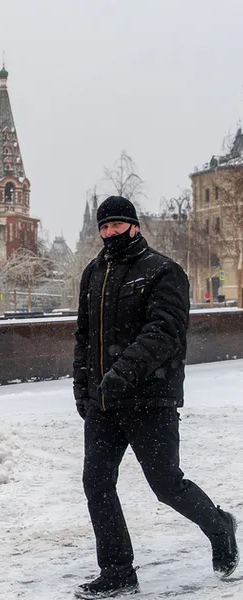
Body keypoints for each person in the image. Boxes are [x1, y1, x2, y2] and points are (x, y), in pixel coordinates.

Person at [72, 196, 238, 599]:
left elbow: (164, 333)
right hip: (103, 403)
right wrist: (82, 388)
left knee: (166, 485)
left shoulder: (163, 272)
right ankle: (117, 571)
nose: (109, 233)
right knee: (97, 483)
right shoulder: (94, 274)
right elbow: (84, 338)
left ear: (134, 226)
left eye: (116, 225)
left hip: (150, 400)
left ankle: (219, 526)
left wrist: (122, 372)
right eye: (104, 227)